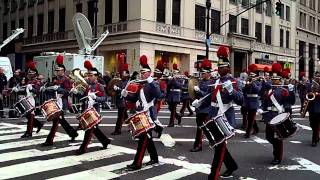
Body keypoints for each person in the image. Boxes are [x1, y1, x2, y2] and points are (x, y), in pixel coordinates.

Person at [204, 46, 243, 179]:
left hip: (225, 117)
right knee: (218, 146)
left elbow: (241, 100)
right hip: (214, 116)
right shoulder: (214, 82)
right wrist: (198, 100)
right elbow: (209, 98)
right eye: (219, 67)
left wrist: (232, 91)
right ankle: (231, 165)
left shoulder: (233, 81)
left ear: (228, 67)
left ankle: (213, 176)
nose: (220, 70)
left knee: (219, 147)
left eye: (222, 68)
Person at [122, 55, 161, 170]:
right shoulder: (140, 85)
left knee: (143, 139)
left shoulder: (153, 84)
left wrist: (152, 82)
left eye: (144, 72)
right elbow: (134, 99)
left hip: (148, 114)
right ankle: (154, 158)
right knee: (147, 138)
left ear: (149, 73)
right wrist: (126, 95)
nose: (141, 74)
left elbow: (159, 95)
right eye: (141, 72)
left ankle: (137, 163)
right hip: (141, 113)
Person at [75, 60, 111, 154]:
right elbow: (82, 97)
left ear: (96, 76)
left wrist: (96, 98)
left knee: (89, 129)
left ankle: (83, 148)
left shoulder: (100, 86)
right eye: (88, 75)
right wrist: (76, 93)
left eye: (91, 76)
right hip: (87, 109)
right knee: (94, 129)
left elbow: (104, 98)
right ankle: (105, 141)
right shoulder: (87, 86)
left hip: (94, 111)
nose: (89, 77)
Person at [261, 63, 295, 164]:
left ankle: (277, 157)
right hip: (269, 116)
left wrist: (291, 91)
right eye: (273, 79)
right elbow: (265, 102)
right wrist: (261, 109)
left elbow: (291, 102)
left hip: (278, 116)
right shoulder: (269, 91)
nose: (273, 80)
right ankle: (276, 150)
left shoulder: (283, 90)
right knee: (269, 136)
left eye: (276, 79)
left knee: (278, 138)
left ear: (280, 80)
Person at [42, 55, 78, 146]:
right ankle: (73, 133)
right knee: (61, 121)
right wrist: (46, 89)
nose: (57, 72)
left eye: (59, 70)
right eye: (57, 71)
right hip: (55, 102)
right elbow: (50, 89)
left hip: (62, 103)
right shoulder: (54, 79)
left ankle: (49, 140)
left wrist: (58, 89)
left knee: (56, 121)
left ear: (63, 71)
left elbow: (68, 92)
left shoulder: (66, 80)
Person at [190, 58, 214, 152]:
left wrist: (199, 91)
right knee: (203, 126)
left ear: (208, 73)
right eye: (202, 73)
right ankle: (212, 140)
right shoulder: (200, 82)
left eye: (204, 73)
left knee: (200, 127)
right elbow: (196, 95)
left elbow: (207, 96)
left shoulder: (211, 83)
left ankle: (198, 145)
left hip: (206, 108)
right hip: (200, 107)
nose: (202, 74)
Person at [18, 61, 44, 138]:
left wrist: (32, 88)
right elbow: (25, 89)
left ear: (35, 73)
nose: (29, 74)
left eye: (31, 73)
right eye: (29, 73)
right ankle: (38, 124)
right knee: (27, 115)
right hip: (27, 98)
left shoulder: (36, 81)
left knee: (31, 114)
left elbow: (37, 91)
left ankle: (29, 132)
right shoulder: (28, 80)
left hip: (33, 99)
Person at [111, 64, 129, 135]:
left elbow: (125, 91)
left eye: (124, 74)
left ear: (127, 75)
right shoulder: (121, 81)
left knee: (120, 117)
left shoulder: (128, 82)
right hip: (120, 100)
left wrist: (118, 89)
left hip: (124, 101)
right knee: (125, 116)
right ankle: (132, 127)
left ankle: (117, 130)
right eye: (122, 74)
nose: (122, 75)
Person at [243, 72, 261, 138]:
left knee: (250, 118)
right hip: (248, 102)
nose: (252, 78)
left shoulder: (258, 83)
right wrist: (246, 85)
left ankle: (248, 133)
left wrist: (252, 83)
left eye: (253, 77)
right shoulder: (248, 83)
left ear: (255, 77)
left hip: (254, 102)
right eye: (250, 77)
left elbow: (257, 90)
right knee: (250, 117)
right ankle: (256, 129)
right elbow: (244, 91)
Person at [307, 71, 320, 147]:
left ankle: (314, 140)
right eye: (316, 76)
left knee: (315, 125)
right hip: (311, 107)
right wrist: (309, 94)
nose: (317, 78)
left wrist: (317, 94)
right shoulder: (310, 85)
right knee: (312, 124)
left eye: (319, 76)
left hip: (319, 108)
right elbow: (307, 93)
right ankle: (317, 135)